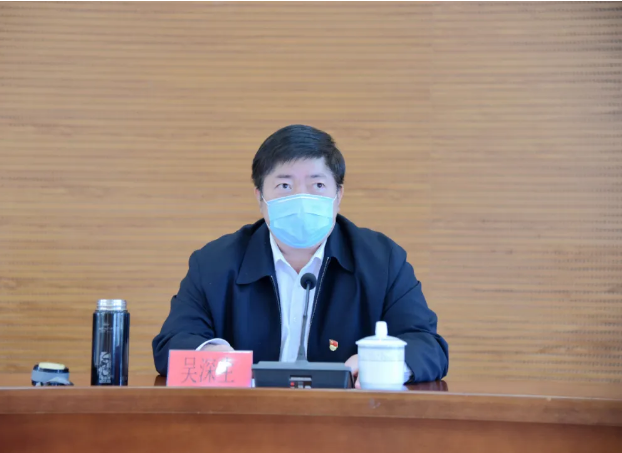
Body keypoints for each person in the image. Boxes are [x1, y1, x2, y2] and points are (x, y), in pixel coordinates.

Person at [152, 125, 448, 383]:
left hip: (347, 422)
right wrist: (209, 353)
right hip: (244, 420)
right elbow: (172, 343)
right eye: (284, 185)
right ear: (260, 197)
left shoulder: (382, 262)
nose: (301, 199)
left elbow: (428, 347)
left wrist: (380, 363)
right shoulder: (214, 263)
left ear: (338, 196)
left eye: (317, 185)